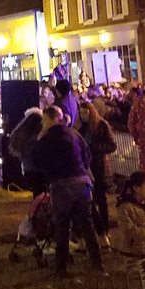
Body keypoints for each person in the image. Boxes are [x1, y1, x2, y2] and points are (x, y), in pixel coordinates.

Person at [36, 104, 103, 275]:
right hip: (81, 182)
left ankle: (61, 267)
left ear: (51, 119)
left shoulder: (46, 139)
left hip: (61, 184)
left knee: (62, 226)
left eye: (44, 120)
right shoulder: (74, 134)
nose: (42, 123)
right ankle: (97, 262)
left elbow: (37, 161)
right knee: (87, 223)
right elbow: (87, 155)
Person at [79, 101, 118, 236]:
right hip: (86, 166)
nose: (83, 116)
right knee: (89, 198)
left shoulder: (101, 125)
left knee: (100, 198)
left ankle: (104, 227)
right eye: (81, 113)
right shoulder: (81, 128)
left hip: (99, 165)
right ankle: (93, 227)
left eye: (85, 113)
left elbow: (112, 145)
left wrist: (95, 148)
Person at [7, 109, 46, 195]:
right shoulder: (35, 140)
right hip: (38, 172)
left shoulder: (22, 137)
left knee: (37, 194)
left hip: (27, 170)